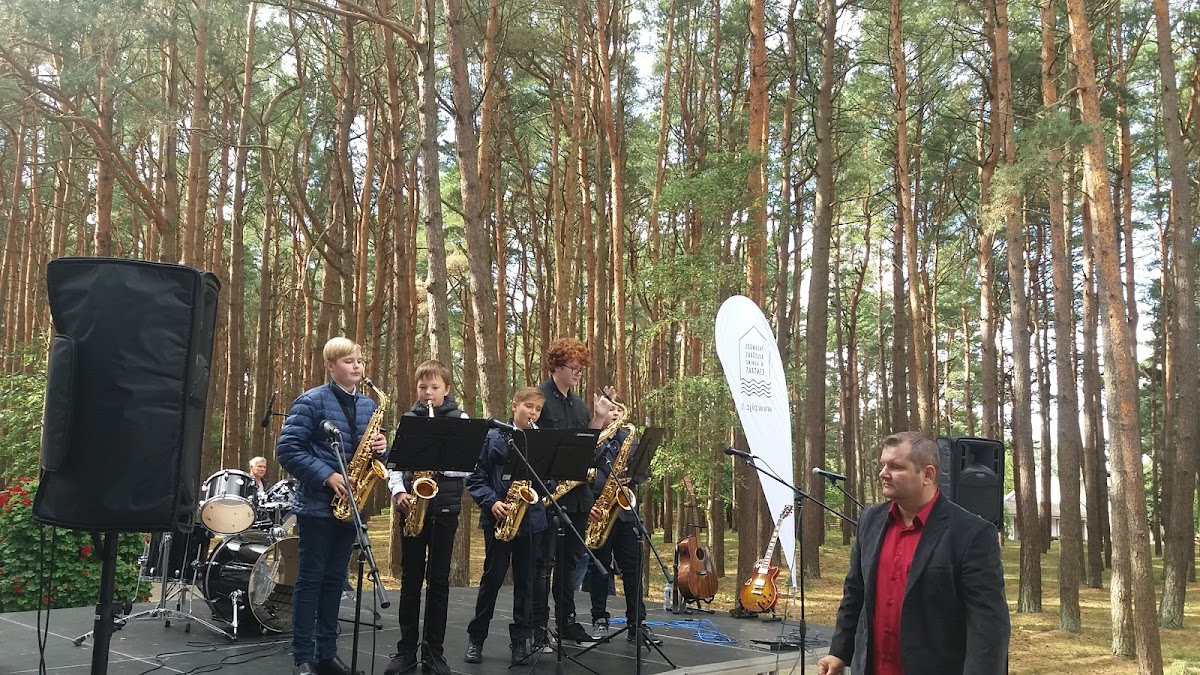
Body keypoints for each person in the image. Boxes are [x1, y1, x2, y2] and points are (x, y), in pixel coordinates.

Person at [816, 431, 1010, 675]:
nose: (883, 473)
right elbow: (855, 593)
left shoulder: (971, 533)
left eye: (896, 466)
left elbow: (988, 625)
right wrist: (839, 652)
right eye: (883, 465)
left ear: (927, 474)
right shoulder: (870, 520)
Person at [277, 337, 388, 675]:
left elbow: (374, 457)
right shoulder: (311, 401)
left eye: (360, 360)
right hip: (316, 505)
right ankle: (303, 656)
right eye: (348, 361)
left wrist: (382, 448)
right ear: (330, 366)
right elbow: (288, 450)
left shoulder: (369, 406)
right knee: (311, 579)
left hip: (351, 505)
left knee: (335, 580)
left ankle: (326, 654)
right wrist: (327, 476)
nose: (357, 366)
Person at [384, 360, 471, 675]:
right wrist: (399, 493)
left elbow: (466, 468)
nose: (428, 393)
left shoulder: (460, 419)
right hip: (411, 508)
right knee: (410, 581)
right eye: (423, 387)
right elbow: (395, 465)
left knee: (438, 582)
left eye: (435, 387)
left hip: (444, 509)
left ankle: (435, 652)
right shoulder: (409, 419)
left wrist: (438, 462)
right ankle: (405, 650)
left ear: (446, 389)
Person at [463, 387, 549, 665]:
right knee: (492, 581)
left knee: (527, 584)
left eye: (538, 409)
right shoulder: (493, 437)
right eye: (529, 406)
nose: (533, 413)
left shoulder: (542, 442)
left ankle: (520, 642)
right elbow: (475, 478)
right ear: (514, 406)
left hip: (532, 521)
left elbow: (548, 482)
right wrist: (492, 503)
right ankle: (476, 639)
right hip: (499, 519)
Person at [535, 338, 601, 645]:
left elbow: (587, 451)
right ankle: (538, 626)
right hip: (549, 496)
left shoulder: (579, 405)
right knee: (543, 565)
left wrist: (598, 420)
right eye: (573, 368)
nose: (577, 374)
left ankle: (567, 622)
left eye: (580, 369)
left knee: (570, 563)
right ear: (556, 367)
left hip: (577, 498)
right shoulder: (540, 399)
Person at [586, 393, 661, 646]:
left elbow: (644, 470)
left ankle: (637, 623)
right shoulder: (593, 438)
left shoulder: (629, 438)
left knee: (633, 568)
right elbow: (581, 471)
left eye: (619, 409)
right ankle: (599, 618)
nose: (616, 413)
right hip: (599, 510)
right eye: (611, 410)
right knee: (599, 569)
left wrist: (634, 477)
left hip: (626, 514)